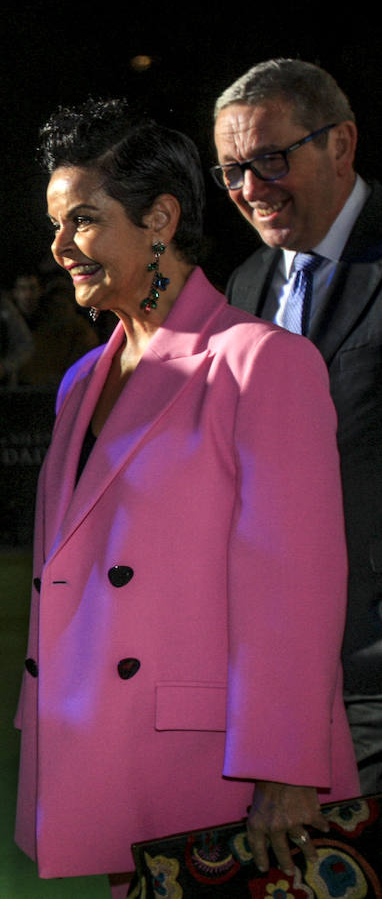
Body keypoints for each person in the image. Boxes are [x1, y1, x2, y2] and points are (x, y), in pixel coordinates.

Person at [16, 99, 359, 896]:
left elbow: (294, 584)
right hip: (101, 743)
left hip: (220, 769)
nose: (60, 247)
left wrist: (284, 763)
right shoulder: (80, 381)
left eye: (83, 222)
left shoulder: (262, 361)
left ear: (160, 218)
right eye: (56, 226)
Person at [214, 59, 382, 795]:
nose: (251, 190)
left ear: (341, 144)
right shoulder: (245, 284)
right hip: (274, 672)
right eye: (231, 172)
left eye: (271, 159)